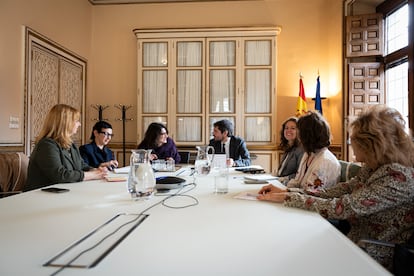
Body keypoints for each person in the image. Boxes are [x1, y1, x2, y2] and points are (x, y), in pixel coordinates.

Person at [257, 105, 414, 271]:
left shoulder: (398, 177)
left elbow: (344, 207)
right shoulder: (374, 166)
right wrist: (289, 192)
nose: (351, 144)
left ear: (371, 144)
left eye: (353, 140)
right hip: (352, 238)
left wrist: (290, 197)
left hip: (373, 253)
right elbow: (343, 189)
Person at [25, 104, 108, 192]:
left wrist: (96, 170)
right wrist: (94, 175)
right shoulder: (46, 145)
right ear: (65, 122)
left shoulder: (70, 144)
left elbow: (82, 165)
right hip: (41, 196)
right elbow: (60, 175)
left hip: (64, 192)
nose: (79, 124)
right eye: (76, 121)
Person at [286, 111, 340, 190]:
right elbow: (296, 182)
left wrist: (283, 194)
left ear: (307, 136)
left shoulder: (324, 161)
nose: (298, 137)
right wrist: (280, 191)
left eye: (300, 133)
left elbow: (309, 194)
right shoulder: (308, 154)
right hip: (299, 199)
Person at [276, 117, 304, 184]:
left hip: (289, 185)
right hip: (280, 182)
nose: (289, 130)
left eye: (293, 128)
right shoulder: (288, 148)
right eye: (286, 128)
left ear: (299, 131)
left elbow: (300, 174)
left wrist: (282, 179)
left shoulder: (301, 150)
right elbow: (281, 171)